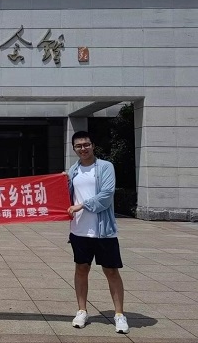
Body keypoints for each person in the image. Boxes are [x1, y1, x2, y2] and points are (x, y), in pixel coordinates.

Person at [66, 131, 129, 334]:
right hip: (79, 230)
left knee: (111, 271)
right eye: (78, 146)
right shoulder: (73, 171)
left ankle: (119, 314)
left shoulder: (105, 167)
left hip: (103, 231)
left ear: (93, 145)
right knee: (81, 269)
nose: (83, 148)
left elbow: (106, 195)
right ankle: (81, 310)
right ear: (74, 149)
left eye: (86, 144)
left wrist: (82, 205)